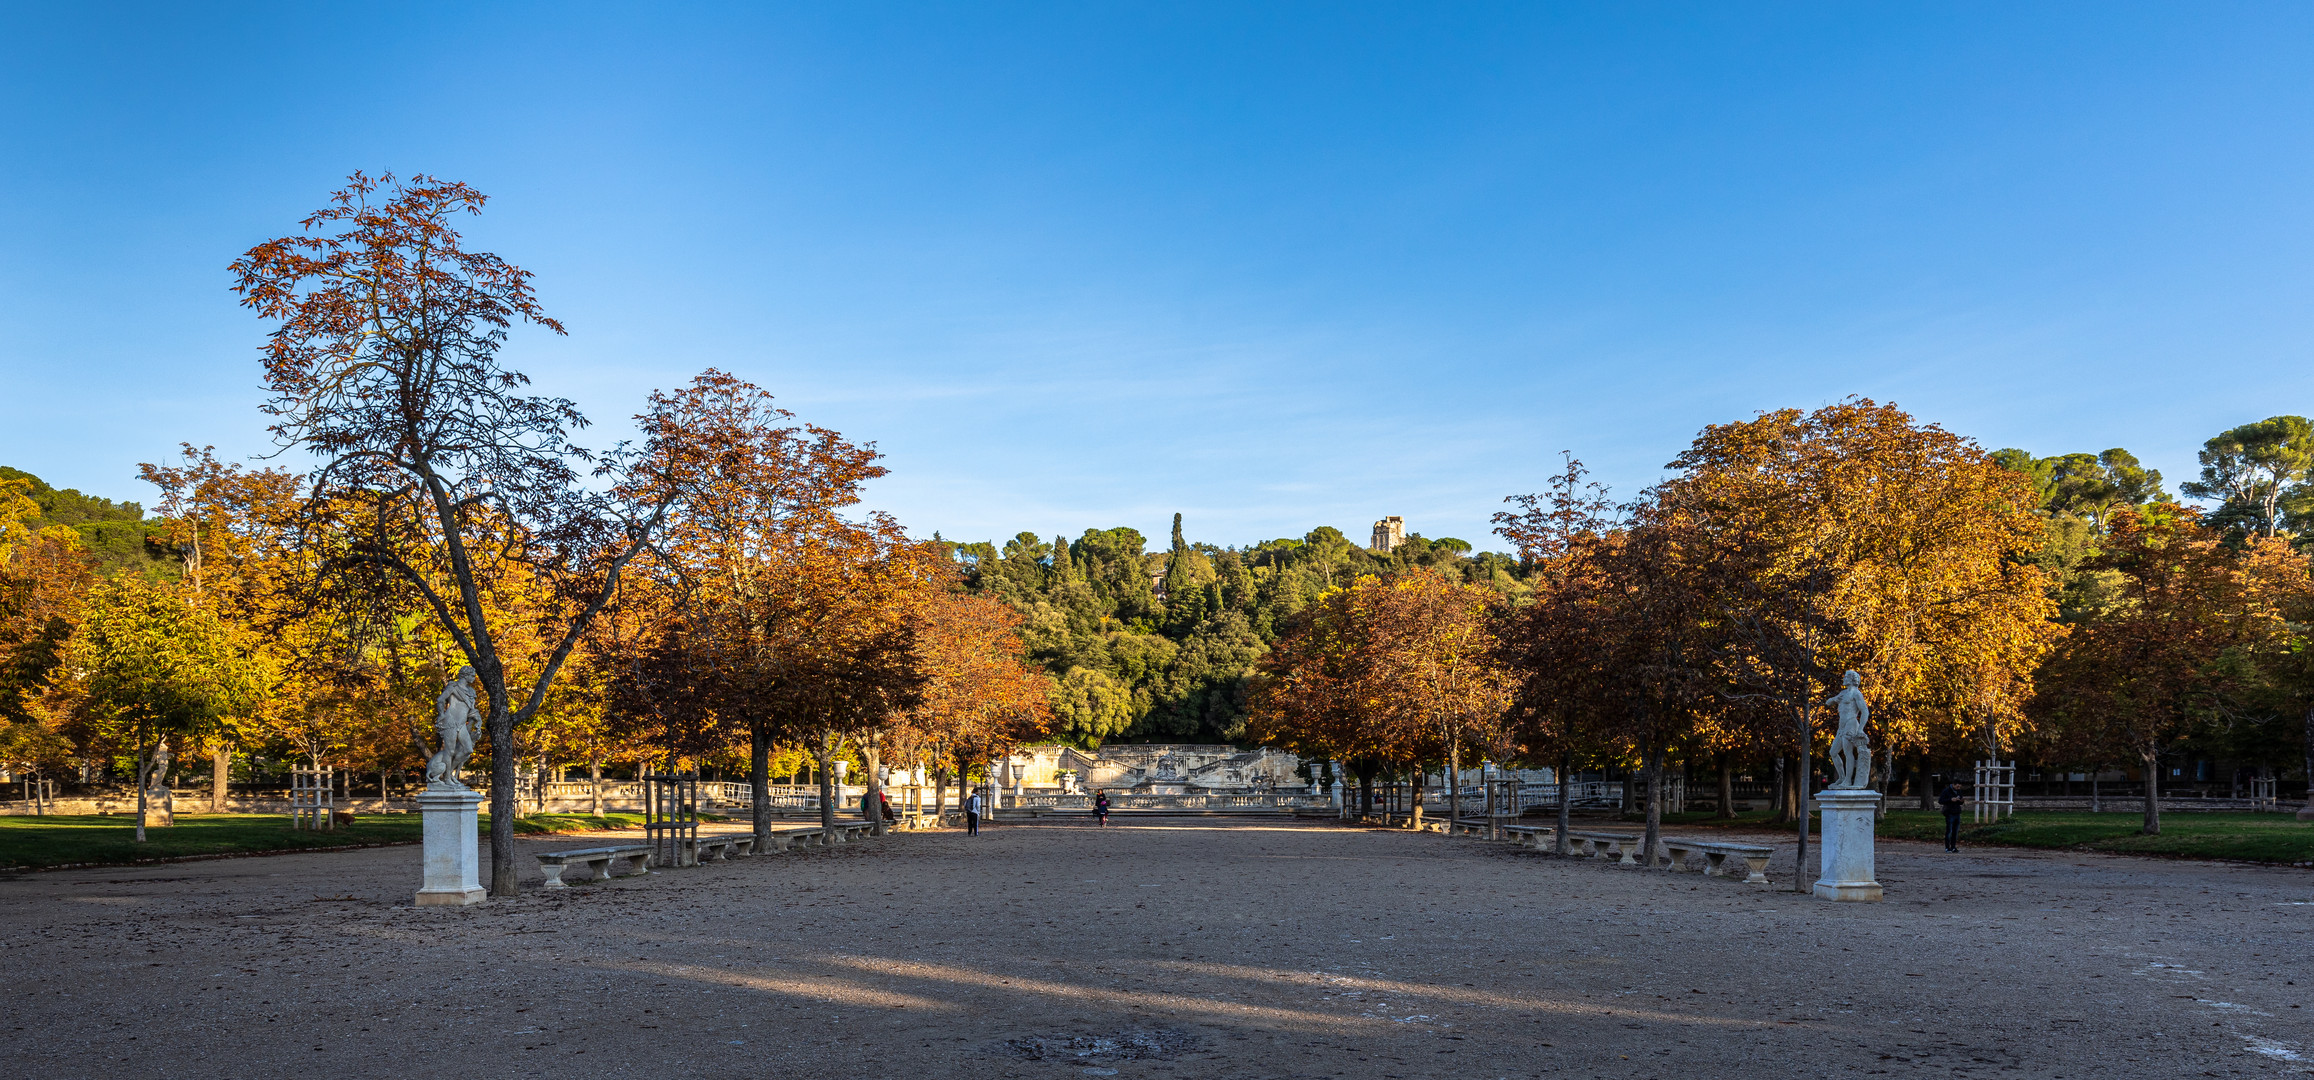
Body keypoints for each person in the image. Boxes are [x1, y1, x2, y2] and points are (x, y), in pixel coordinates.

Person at [1938, 779, 1966, 852]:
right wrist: (1950, 799)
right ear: (1953, 785)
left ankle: (1953, 847)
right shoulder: (1946, 791)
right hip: (1949, 812)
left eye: (1959, 786)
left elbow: (1960, 802)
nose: (1958, 788)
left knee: (1955, 831)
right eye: (1957, 786)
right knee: (1949, 830)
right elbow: (1940, 801)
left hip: (1957, 812)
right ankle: (1947, 847)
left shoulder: (1959, 791)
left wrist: (1961, 801)